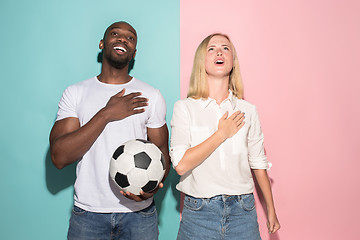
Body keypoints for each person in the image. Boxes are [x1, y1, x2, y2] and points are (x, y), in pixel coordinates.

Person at [49, 21, 170, 240]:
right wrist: (106, 114)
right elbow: (59, 157)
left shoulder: (151, 96)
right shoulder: (76, 93)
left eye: (130, 38)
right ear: (102, 43)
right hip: (88, 215)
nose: (123, 39)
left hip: (139, 216)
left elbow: (162, 150)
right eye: (115, 34)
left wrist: (154, 188)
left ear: (134, 52)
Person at [170, 33, 280, 240]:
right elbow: (181, 165)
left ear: (232, 62)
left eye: (225, 48)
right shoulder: (184, 108)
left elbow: (258, 163)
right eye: (211, 48)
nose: (219, 51)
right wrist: (221, 134)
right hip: (199, 214)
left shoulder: (248, 110)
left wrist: (271, 210)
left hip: (243, 213)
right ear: (201, 61)